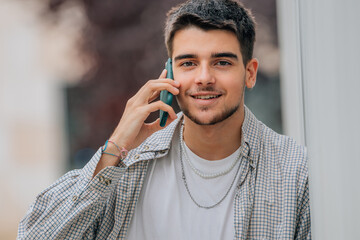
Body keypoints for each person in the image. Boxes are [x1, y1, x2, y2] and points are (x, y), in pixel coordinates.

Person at [18, 0, 311, 239]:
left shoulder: (295, 171)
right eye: (188, 63)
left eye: (222, 62)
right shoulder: (126, 165)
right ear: (170, 74)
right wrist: (117, 144)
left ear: (250, 73)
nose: (204, 77)